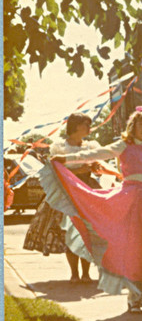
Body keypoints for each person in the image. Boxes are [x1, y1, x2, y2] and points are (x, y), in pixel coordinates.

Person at [41, 106, 142, 313]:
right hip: (128, 202)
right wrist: (66, 159)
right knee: (133, 248)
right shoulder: (124, 146)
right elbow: (95, 153)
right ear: (133, 125)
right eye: (141, 125)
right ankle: (134, 296)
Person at [23, 113, 102, 283]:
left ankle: (86, 274)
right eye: (85, 124)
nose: (89, 128)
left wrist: (95, 167)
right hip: (66, 195)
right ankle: (75, 273)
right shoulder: (60, 147)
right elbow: (56, 173)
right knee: (70, 234)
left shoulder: (91, 146)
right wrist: (80, 171)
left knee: (86, 234)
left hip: (86, 193)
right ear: (75, 126)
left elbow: (96, 167)